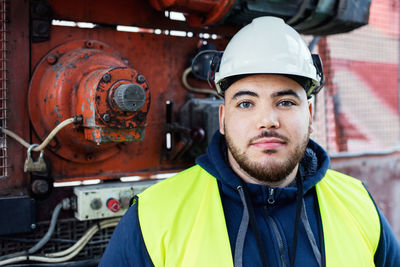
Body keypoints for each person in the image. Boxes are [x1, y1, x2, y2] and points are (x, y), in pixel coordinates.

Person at [99, 16, 400, 267]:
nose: (267, 120)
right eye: (245, 104)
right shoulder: (155, 217)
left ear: (309, 113)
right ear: (223, 118)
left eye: (284, 102)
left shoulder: (358, 204)